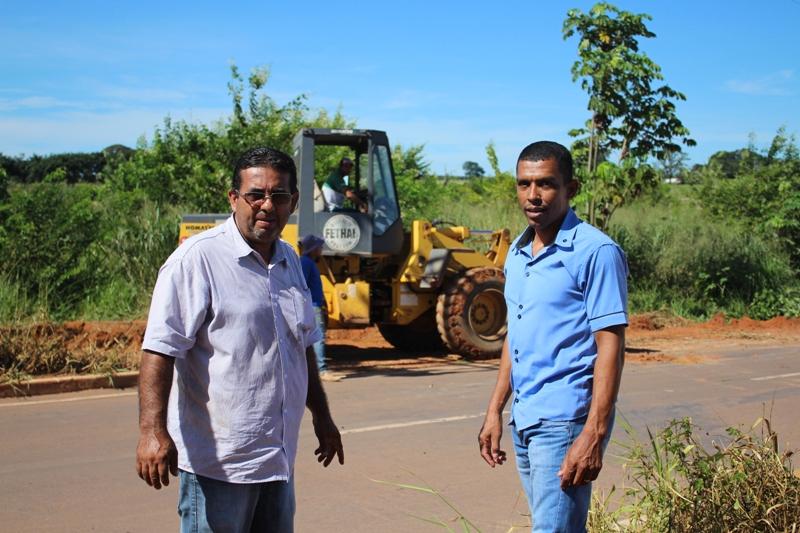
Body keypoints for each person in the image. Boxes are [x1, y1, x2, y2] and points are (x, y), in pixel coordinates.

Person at [136, 146, 344, 533]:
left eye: (279, 196)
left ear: (293, 202)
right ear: (234, 198)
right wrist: (152, 431)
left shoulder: (289, 261)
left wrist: (323, 417)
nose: (267, 205)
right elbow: (159, 349)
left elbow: (300, 348)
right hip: (219, 467)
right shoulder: (197, 260)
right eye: (256, 194)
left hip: (277, 460)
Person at [478, 141, 628, 532]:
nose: (532, 196)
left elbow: (610, 343)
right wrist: (496, 409)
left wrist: (594, 432)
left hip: (566, 421)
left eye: (545, 184)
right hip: (525, 418)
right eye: (524, 184)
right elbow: (517, 332)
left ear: (571, 188)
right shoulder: (518, 250)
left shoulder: (596, 252)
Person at [299, 234, 344, 382]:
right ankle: (322, 370)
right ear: (313, 249)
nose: (321, 250)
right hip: (312, 306)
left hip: (313, 305)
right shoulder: (306, 263)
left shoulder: (307, 262)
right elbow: (302, 285)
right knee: (318, 338)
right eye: (319, 247)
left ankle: (313, 371)